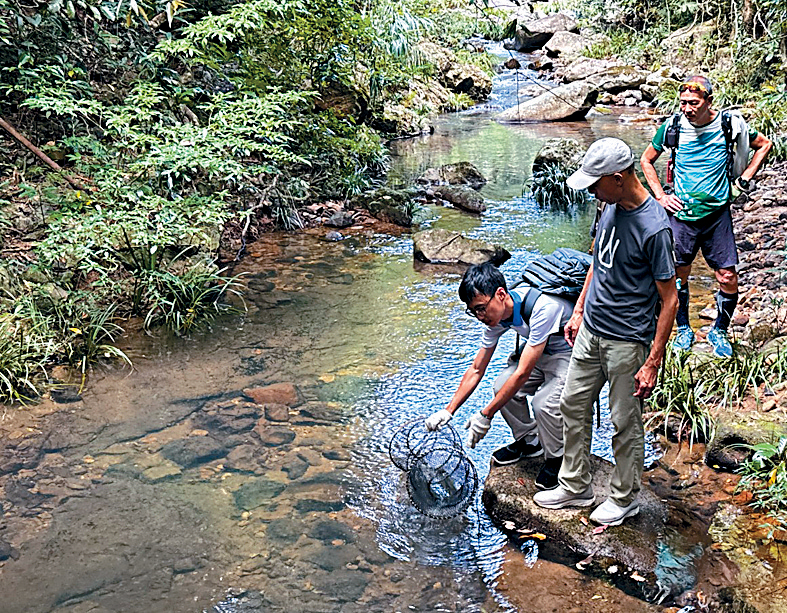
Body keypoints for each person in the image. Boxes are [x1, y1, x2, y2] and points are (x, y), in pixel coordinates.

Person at [533, 138, 678, 526]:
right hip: (591, 330)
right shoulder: (609, 206)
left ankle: (625, 497)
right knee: (571, 404)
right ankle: (575, 485)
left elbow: (670, 300)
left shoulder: (654, 228)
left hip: (627, 341)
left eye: (595, 184)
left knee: (624, 422)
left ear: (618, 178)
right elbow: (597, 261)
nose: (591, 191)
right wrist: (579, 310)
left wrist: (652, 361)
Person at [640, 75, 772, 358]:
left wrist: (744, 179)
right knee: (677, 276)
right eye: (683, 103)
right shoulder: (673, 127)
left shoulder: (728, 124)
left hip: (717, 215)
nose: (687, 109)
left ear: (708, 101)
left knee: (728, 277)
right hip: (681, 215)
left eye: (693, 103)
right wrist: (660, 197)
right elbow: (646, 160)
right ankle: (683, 328)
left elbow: (764, 144)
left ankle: (719, 330)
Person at [424, 262, 574, 490]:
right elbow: (477, 368)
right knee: (501, 385)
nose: (479, 316)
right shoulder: (497, 317)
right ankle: (529, 441)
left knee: (543, 403)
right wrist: (448, 410)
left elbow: (522, 373)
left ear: (501, 294)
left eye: (481, 308)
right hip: (541, 352)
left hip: (569, 354)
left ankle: (556, 458)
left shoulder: (544, 308)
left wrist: (486, 415)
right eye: (473, 311)